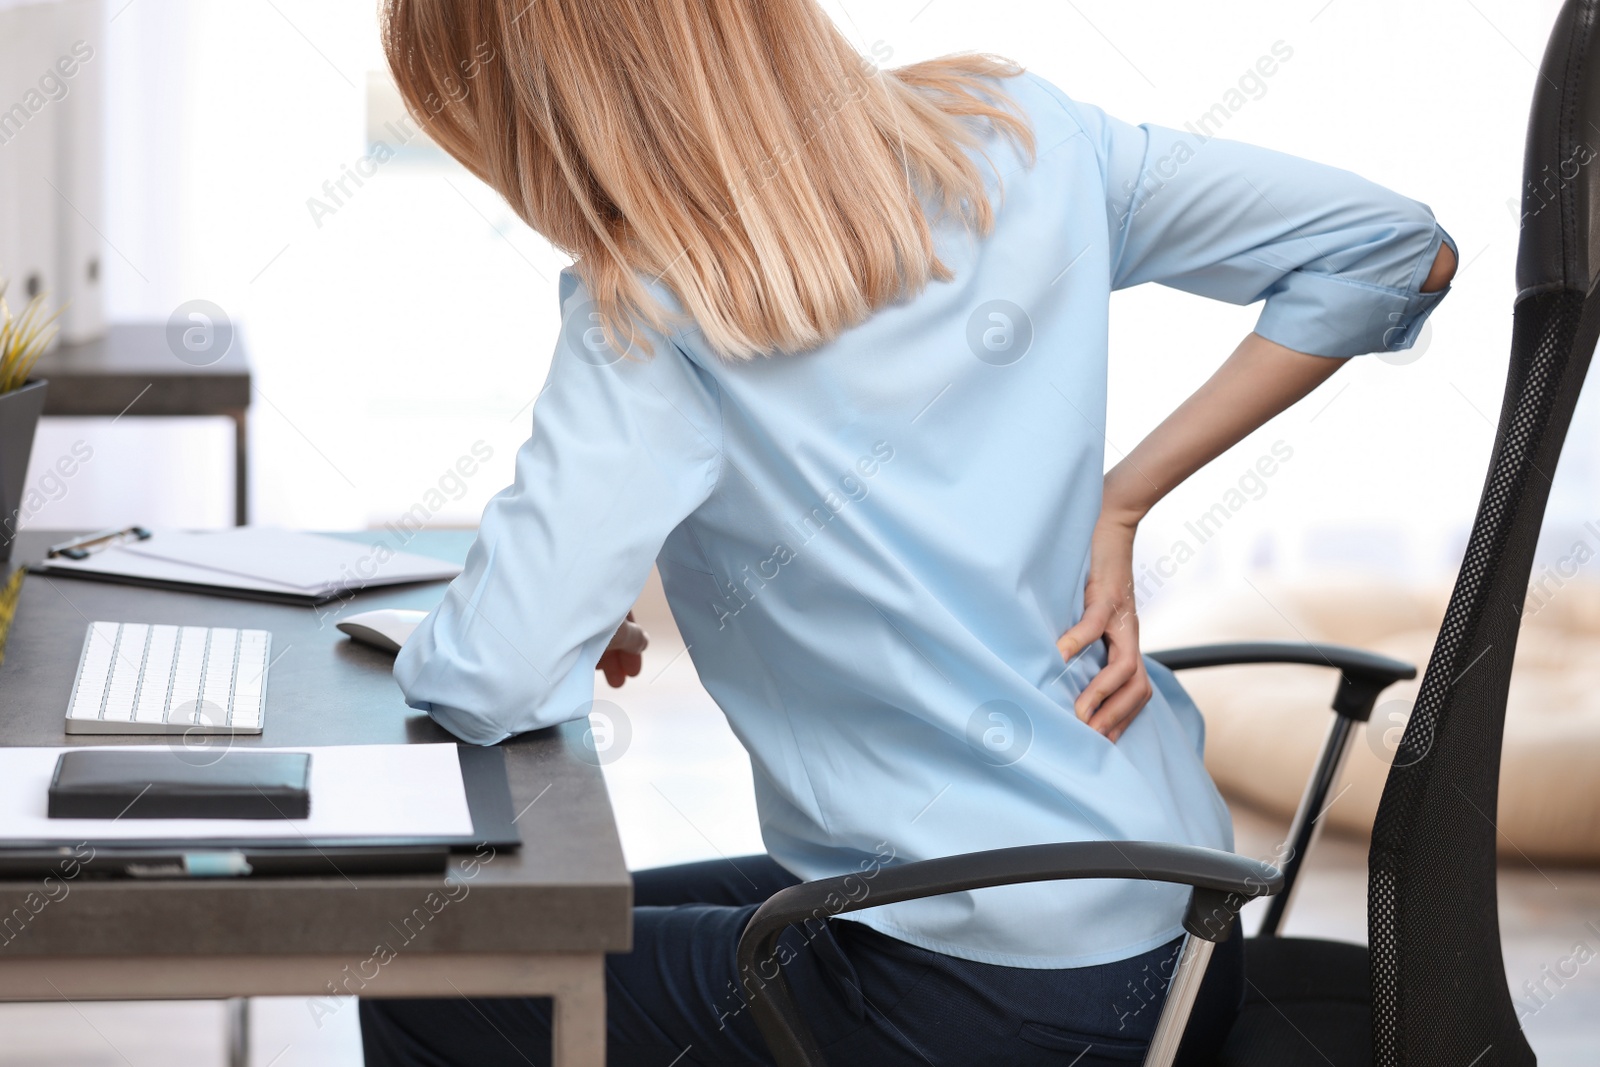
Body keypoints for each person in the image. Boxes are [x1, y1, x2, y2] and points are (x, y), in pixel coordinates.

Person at [359, 1, 1458, 1064]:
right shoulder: (1025, 141)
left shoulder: (647, 308)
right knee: (558, 914)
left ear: (550, 113)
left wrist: (530, 626)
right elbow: (1394, 249)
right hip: (1179, 926)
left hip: (980, 992)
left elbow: (486, 679)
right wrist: (1125, 494)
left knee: (430, 972)